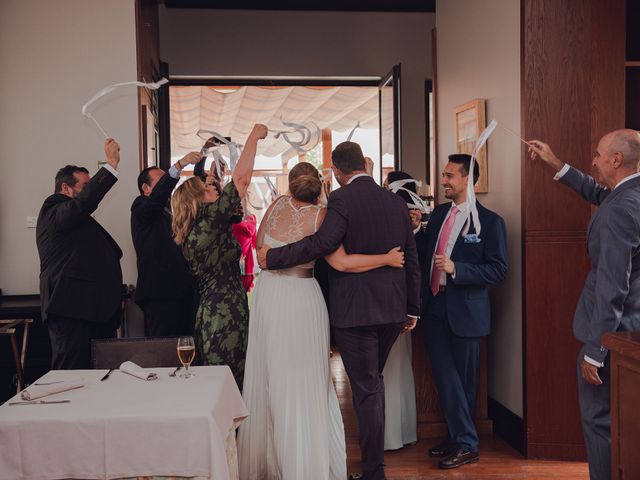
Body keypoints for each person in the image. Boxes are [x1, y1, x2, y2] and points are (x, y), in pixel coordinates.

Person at [258, 141, 421, 480]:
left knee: (367, 388)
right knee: (372, 383)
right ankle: (373, 465)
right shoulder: (395, 201)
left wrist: (272, 258)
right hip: (392, 310)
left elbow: (323, 245)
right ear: (364, 163)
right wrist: (412, 308)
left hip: (356, 313)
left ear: (336, 170)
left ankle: (374, 472)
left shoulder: (341, 200)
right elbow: (412, 257)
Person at [528, 130, 640, 480]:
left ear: (616, 160)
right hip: (633, 333)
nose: (593, 160)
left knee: (600, 423)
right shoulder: (628, 195)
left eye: (597, 154)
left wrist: (597, 349)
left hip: (614, 338)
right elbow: (598, 192)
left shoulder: (620, 210)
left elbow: (612, 286)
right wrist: (556, 165)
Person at [416, 154, 507, 469]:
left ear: (468, 179)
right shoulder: (440, 214)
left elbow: (497, 271)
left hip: (467, 312)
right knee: (445, 377)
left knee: (463, 382)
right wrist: (416, 230)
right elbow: (426, 252)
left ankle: (465, 443)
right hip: (434, 305)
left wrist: (457, 269)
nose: (444, 181)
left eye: (450, 175)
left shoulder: (492, 223)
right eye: (443, 174)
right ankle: (460, 437)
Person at [171, 123, 268, 388]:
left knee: (220, 384)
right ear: (198, 198)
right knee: (230, 385)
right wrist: (254, 136)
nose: (213, 186)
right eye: (207, 186)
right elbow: (242, 181)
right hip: (224, 318)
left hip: (213, 313)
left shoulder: (200, 226)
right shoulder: (208, 221)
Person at [36, 139, 123, 369]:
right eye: (85, 185)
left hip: (87, 310)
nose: (88, 190)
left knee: (95, 376)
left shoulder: (75, 219)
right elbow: (82, 204)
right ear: (66, 189)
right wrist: (110, 165)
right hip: (70, 310)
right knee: (71, 375)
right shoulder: (53, 208)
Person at [130, 152, 200, 337]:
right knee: (166, 350)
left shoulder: (168, 209)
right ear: (146, 188)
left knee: (187, 345)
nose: (167, 184)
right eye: (161, 181)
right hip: (161, 294)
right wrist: (179, 165)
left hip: (181, 291)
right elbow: (157, 198)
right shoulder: (141, 207)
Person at [381, 171, 419, 451]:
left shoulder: (393, 216)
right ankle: (402, 431)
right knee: (398, 368)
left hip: (393, 306)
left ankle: (391, 434)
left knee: (391, 370)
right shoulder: (405, 220)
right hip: (401, 306)